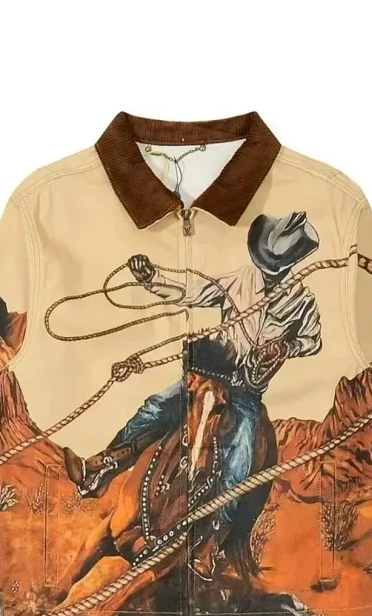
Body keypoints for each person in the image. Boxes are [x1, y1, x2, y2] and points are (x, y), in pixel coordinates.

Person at [63, 211, 323, 578]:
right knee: (158, 407)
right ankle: (103, 465)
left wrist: (287, 346)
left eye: (276, 266)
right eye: (267, 263)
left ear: (291, 263)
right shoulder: (241, 279)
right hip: (215, 371)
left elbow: (313, 341)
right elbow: (195, 290)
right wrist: (153, 278)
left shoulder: (303, 302)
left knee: (242, 454)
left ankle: (212, 538)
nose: (269, 271)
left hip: (246, 392)